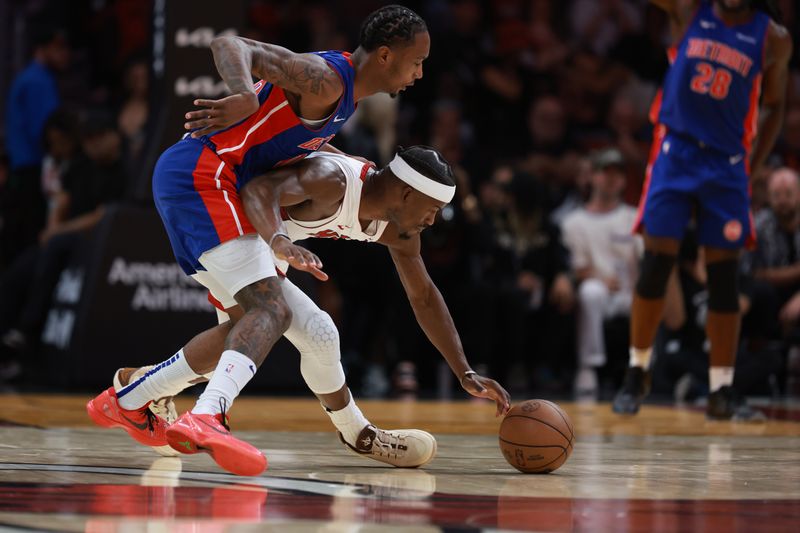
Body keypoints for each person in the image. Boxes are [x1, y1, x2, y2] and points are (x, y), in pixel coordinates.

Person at [89, 145, 510, 475]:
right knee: (280, 323)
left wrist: (463, 370)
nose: (434, 222)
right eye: (433, 210)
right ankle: (148, 400)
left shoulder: (399, 230)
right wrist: (276, 242)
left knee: (276, 335)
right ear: (404, 192)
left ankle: (135, 391)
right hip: (228, 215)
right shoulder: (332, 180)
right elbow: (257, 190)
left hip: (261, 240)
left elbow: (424, 296)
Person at [613, 0, 792, 419]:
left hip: (727, 164)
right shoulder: (688, 9)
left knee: (724, 278)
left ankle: (721, 388)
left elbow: (776, 105)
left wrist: (754, 165)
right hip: (676, 153)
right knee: (657, 263)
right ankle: (637, 371)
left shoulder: (773, 38)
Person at [562, 149, 642, 398]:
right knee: (590, 292)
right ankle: (588, 367)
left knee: (649, 298)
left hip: (631, 293)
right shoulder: (574, 222)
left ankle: (644, 369)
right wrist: (600, 277)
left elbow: (644, 261)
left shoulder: (634, 218)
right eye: (605, 172)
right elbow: (578, 267)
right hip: (600, 291)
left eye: (618, 174)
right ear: (592, 176)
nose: (611, 179)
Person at [1, 24, 70, 268]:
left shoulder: (29, 77)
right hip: (32, 172)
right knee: (31, 245)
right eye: (58, 48)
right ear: (42, 49)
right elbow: (47, 131)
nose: (65, 55)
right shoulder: (38, 81)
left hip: (23, 170)